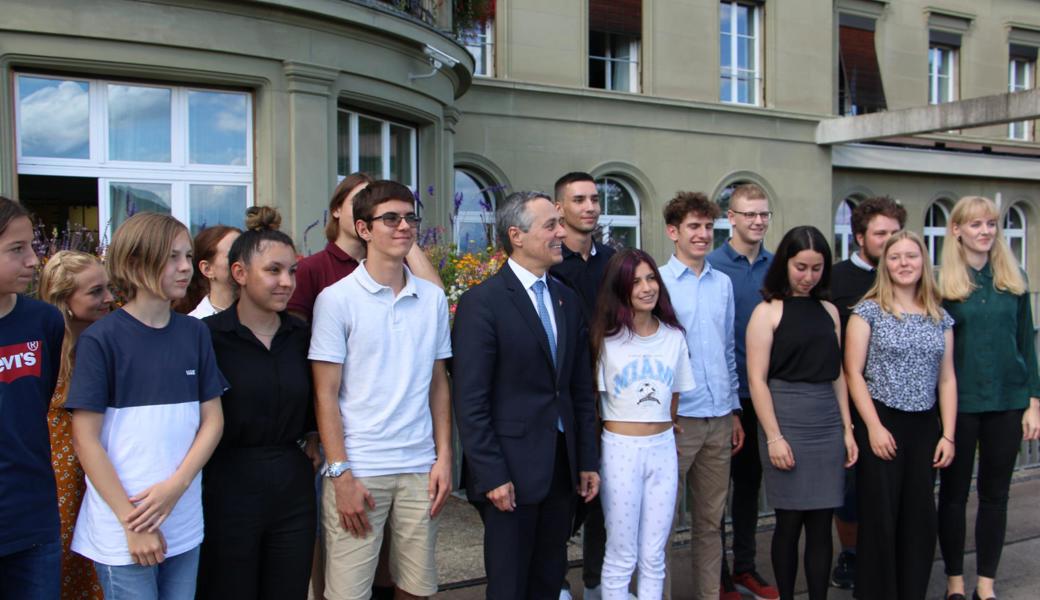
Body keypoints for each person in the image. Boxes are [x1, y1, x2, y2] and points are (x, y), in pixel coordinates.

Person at [66, 212, 226, 600]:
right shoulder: (101, 340)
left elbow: (212, 420)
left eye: (188, 256)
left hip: (183, 520)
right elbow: (86, 441)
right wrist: (131, 522)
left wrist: (176, 487)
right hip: (123, 528)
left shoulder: (194, 332)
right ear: (135, 262)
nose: (186, 267)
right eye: (172, 257)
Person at [452, 191, 599, 599]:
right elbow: (471, 402)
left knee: (548, 581)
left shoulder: (567, 298)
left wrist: (587, 459)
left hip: (561, 471)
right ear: (516, 235)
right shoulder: (482, 303)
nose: (561, 233)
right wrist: (492, 475)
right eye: (551, 225)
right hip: (509, 475)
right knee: (509, 586)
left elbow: (579, 390)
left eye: (560, 224)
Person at [310, 180, 452, 600]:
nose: (403, 226)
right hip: (361, 467)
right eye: (390, 218)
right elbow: (325, 393)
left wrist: (444, 458)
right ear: (364, 228)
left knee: (417, 587)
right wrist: (340, 473)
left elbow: (438, 383)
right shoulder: (336, 300)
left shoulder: (432, 299)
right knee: (348, 592)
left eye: (410, 217)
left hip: (419, 466)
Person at [196, 207, 320, 599]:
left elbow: (323, 398)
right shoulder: (205, 338)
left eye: (293, 272)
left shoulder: (303, 336)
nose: (287, 282)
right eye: (274, 271)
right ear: (239, 274)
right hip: (226, 485)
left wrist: (316, 434)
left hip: (292, 485)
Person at [744, 225, 857, 600]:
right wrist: (774, 436)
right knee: (789, 523)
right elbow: (757, 381)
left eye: (816, 268)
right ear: (785, 264)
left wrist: (847, 429)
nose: (808, 276)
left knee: (822, 523)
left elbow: (837, 372)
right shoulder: (766, 312)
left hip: (826, 421)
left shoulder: (829, 310)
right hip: (785, 420)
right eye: (800, 267)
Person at [937, 196, 1040, 600]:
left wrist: (1034, 401)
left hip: (1007, 399)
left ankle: (987, 585)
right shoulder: (942, 285)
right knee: (953, 494)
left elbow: (1026, 344)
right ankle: (955, 582)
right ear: (957, 230)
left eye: (991, 224)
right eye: (976, 224)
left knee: (996, 495)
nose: (985, 232)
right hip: (959, 405)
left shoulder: (1013, 282)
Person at [843, 230, 956, 599]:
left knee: (919, 520)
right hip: (882, 422)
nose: (903, 264)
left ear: (924, 261)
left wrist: (948, 434)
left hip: (924, 426)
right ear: (884, 264)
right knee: (880, 520)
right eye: (895, 257)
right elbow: (853, 373)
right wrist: (873, 427)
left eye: (911, 256)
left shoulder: (939, 316)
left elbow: (946, 378)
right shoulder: (868, 310)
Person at [593, 248, 695, 599]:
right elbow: (595, 402)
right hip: (621, 450)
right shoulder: (606, 340)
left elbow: (674, 397)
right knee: (622, 555)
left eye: (651, 278)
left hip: (662, 450)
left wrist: (665, 428)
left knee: (654, 556)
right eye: (636, 281)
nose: (647, 287)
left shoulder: (674, 337)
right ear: (621, 288)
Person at [658, 192, 742, 600]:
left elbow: (727, 350)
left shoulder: (722, 283)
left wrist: (735, 409)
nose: (703, 234)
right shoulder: (655, 283)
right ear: (673, 232)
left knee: (710, 523)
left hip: (719, 416)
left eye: (708, 227)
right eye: (694, 226)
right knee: (662, 525)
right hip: (677, 421)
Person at [827, 196, 906, 589]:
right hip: (849, 401)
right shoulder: (837, 280)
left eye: (895, 233)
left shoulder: (910, 277)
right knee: (851, 487)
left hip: (902, 403)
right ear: (860, 237)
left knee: (893, 486)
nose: (890, 241)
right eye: (880, 234)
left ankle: (888, 556)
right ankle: (853, 555)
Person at [706, 183, 778, 600]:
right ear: (729, 217)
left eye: (763, 214)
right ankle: (717, 575)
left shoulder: (777, 267)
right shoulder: (712, 266)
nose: (757, 221)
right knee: (716, 493)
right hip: (723, 400)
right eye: (749, 214)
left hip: (765, 397)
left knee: (750, 488)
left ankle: (746, 568)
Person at [549, 171, 616, 600]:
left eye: (594, 198)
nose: (590, 206)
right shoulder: (551, 261)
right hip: (566, 394)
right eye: (579, 199)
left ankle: (595, 583)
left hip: (613, 394)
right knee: (562, 498)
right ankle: (555, 582)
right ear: (560, 208)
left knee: (604, 502)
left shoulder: (614, 260)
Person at [39, 251, 115, 600]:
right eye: (96, 292)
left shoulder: (109, 342)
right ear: (64, 300)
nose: (109, 299)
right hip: (58, 482)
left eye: (108, 288)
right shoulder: (44, 350)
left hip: (103, 474)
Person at [0, 196, 65, 600]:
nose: (33, 260)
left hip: (32, 520)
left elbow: (36, 403)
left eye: (32, 246)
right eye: (16, 249)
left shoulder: (43, 321)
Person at [289, 172, 442, 322]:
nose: (364, 210)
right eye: (357, 202)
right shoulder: (311, 268)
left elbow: (434, 301)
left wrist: (401, 230)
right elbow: (295, 333)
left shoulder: (396, 267)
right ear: (337, 209)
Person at [176, 225, 241, 318]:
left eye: (247, 253)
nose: (245, 261)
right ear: (207, 269)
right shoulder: (195, 325)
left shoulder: (263, 316)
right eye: (234, 254)